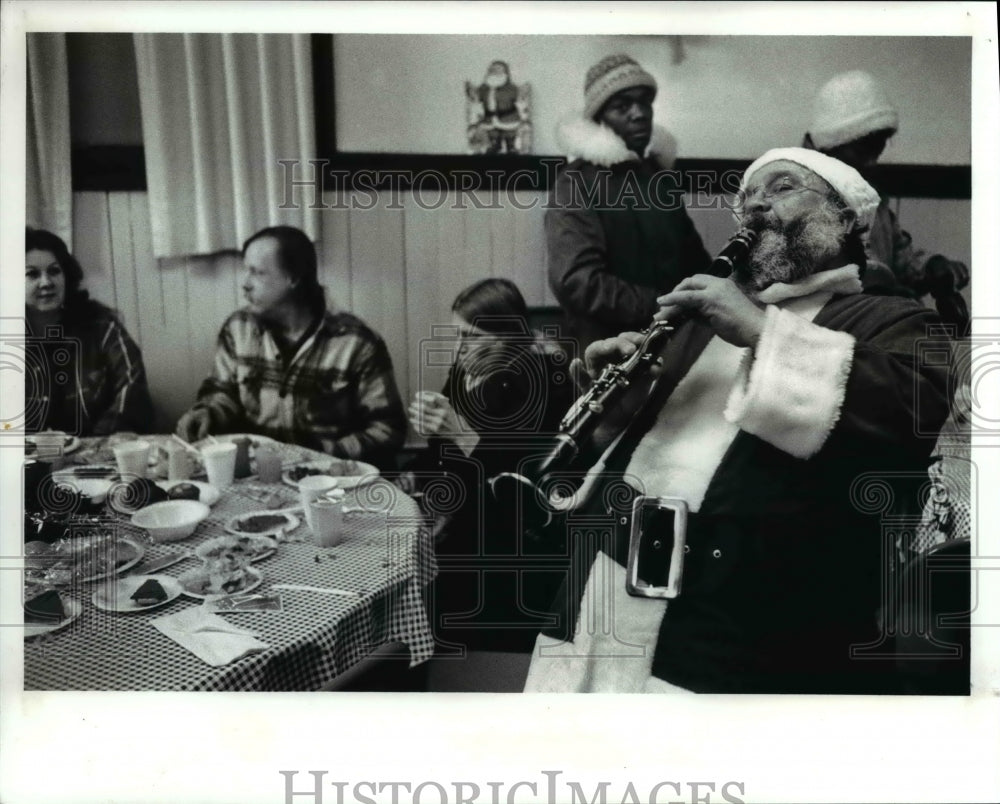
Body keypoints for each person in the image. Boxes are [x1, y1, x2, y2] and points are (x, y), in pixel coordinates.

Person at [523, 147, 953, 694]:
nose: (755, 207)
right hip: (605, 596)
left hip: (743, 627)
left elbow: (913, 413)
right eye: (747, 198)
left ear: (844, 216)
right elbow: (648, 452)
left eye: (781, 188)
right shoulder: (698, 323)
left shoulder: (891, 317)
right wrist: (618, 419)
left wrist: (759, 330)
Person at [405, 278, 575, 651]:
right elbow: (445, 454)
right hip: (461, 513)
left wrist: (462, 434)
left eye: (471, 336)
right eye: (456, 335)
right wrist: (415, 474)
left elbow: (523, 484)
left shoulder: (543, 382)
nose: (459, 348)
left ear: (509, 336)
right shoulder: (468, 368)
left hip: (510, 544)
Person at [176, 225, 406, 469]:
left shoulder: (357, 343)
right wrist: (208, 412)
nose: (245, 284)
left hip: (328, 483)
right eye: (246, 271)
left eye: (258, 273)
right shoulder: (237, 329)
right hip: (257, 479)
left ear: (294, 277)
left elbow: (388, 431)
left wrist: (320, 456)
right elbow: (222, 393)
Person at [545, 53, 714, 351]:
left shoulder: (658, 178)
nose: (639, 113)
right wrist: (665, 305)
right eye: (622, 106)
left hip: (674, 341)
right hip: (610, 352)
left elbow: (694, 260)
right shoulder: (576, 183)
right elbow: (577, 281)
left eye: (645, 102)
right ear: (598, 120)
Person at [803, 70, 970, 327]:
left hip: (882, 331)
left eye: (879, 146)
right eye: (863, 149)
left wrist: (930, 267)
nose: (872, 162)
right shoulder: (794, 198)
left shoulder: (868, 195)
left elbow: (899, 254)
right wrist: (883, 296)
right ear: (831, 143)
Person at [24, 227, 153, 436]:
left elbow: (133, 387)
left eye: (54, 271)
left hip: (97, 453)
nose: (46, 282)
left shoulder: (101, 325)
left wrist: (96, 447)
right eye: (32, 274)